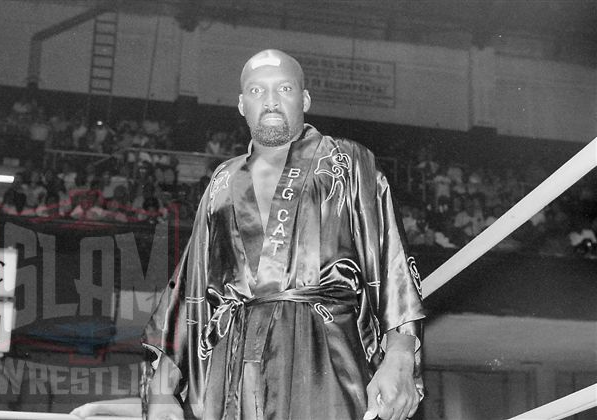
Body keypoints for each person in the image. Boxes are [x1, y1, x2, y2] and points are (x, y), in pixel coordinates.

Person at [73, 49, 424, 420]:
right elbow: (192, 287)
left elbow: (391, 263)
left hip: (322, 351)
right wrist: (162, 390)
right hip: (234, 358)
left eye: (284, 88)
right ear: (241, 104)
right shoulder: (223, 180)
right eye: (257, 91)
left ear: (304, 99)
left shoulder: (347, 161)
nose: (270, 100)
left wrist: (400, 356)